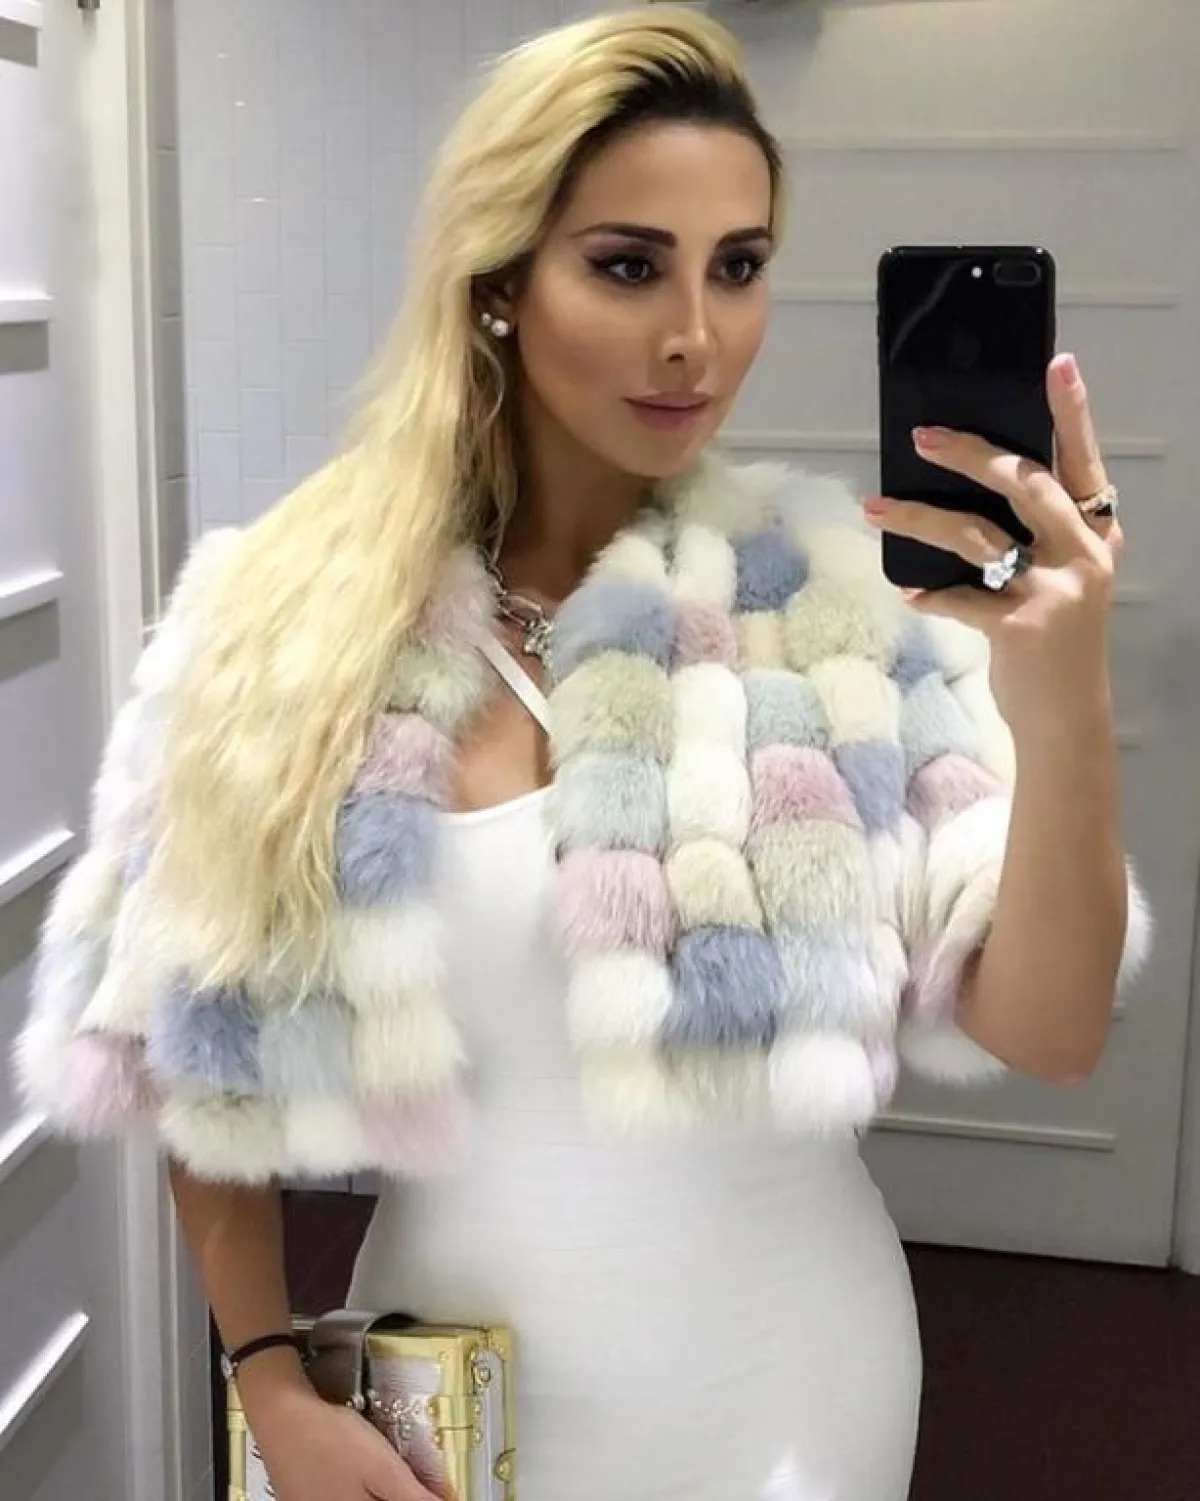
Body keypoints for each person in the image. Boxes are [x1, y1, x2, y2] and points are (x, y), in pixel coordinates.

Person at [15, 7, 1149, 1501]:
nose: (697, 335)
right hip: (443, 1412)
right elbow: (186, 1048)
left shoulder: (833, 613)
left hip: (796, 1393)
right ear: (498, 281)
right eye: (628, 265)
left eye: (736, 265)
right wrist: (268, 1379)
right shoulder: (284, 624)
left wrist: (1061, 699)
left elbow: (1049, 1030)